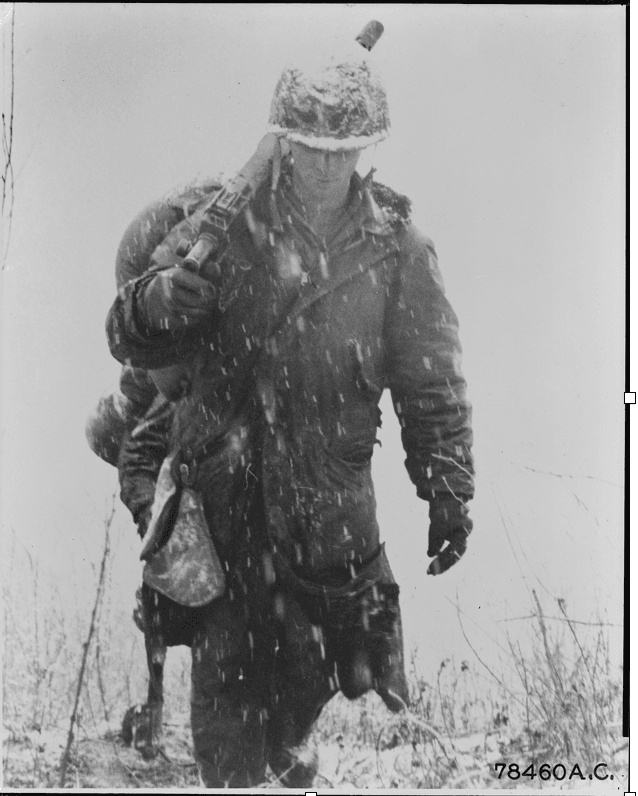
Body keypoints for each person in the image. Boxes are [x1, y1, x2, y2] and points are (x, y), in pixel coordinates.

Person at [105, 55, 474, 788]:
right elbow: (129, 334)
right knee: (228, 721)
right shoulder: (220, 231)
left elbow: (430, 385)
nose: (324, 168)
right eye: (309, 150)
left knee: (311, 687)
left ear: (363, 150)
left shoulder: (399, 252)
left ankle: (287, 747)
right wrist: (159, 303)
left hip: (329, 526)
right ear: (284, 144)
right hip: (226, 519)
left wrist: (448, 490)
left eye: (340, 153)